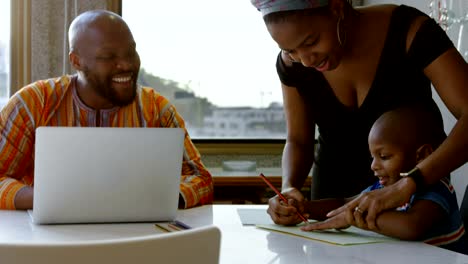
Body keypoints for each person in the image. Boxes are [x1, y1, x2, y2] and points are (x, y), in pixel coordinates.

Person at [250, 0, 468, 228]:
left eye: (310, 42)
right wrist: (288, 190)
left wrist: (409, 183)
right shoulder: (293, 65)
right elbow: (298, 140)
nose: (306, 60)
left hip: (413, 207)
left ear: (337, 8)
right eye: (289, 50)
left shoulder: (410, 31)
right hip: (332, 211)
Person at [0, 10, 213, 210]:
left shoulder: (156, 109)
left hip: (136, 236)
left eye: (130, 53)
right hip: (51, 236)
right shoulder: (33, 103)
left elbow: (200, 179)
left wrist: (148, 200)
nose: (125, 65)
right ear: (76, 61)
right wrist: (51, 200)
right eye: (108, 57)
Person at [294, 106, 467, 254]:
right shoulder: (382, 188)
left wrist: (354, 217)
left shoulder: (436, 188)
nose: (373, 166)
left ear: (421, 156)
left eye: (384, 156)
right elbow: (345, 203)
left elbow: (412, 226)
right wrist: (302, 207)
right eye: (373, 157)